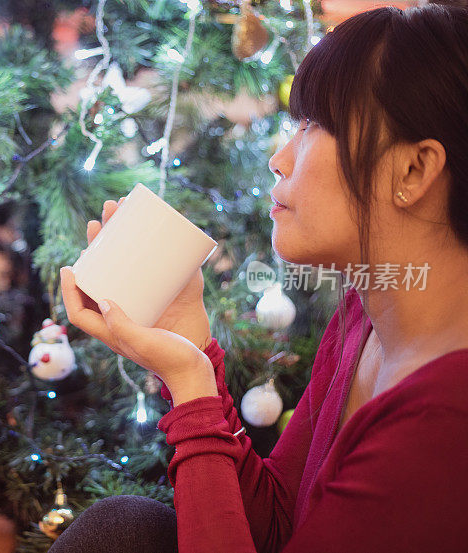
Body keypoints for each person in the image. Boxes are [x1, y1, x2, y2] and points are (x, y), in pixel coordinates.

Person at [54, 4, 468, 552]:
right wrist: (190, 346)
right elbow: (276, 528)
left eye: (317, 126)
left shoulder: (444, 420)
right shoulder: (362, 321)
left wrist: (193, 389)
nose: (280, 158)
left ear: (413, 170)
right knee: (123, 528)